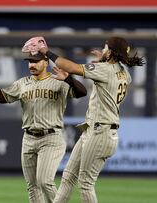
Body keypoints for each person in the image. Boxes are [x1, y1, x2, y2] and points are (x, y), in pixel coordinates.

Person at [25, 36, 144, 203]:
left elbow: (71, 67)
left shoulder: (104, 70)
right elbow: (109, 71)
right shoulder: (124, 74)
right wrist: (103, 60)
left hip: (100, 131)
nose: (102, 50)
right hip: (97, 130)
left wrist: (47, 52)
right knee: (68, 177)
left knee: (86, 183)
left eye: (105, 48)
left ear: (110, 52)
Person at [0, 52, 87, 203]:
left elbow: (82, 92)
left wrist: (69, 79)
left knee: (44, 181)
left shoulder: (58, 81)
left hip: (51, 137)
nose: (32, 64)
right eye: (30, 61)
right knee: (32, 186)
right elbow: (3, 96)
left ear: (46, 63)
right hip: (29, 138)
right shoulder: (22, 83)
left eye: (36, 61)